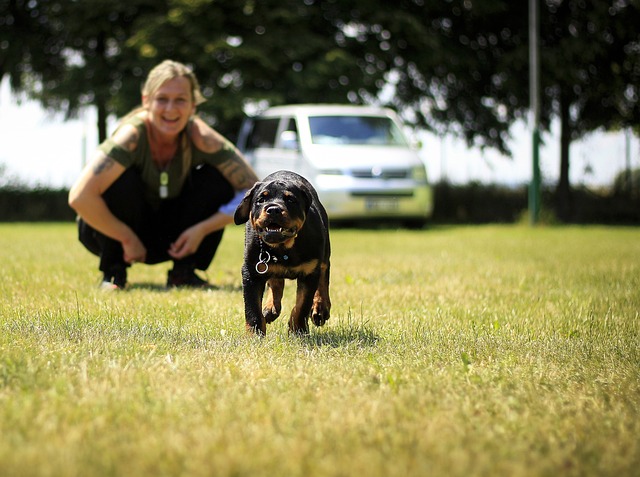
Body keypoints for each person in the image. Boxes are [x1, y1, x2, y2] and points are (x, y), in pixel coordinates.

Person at [68, 60, 258, 290]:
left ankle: (183, 273)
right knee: (118, 180)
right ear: (146, 101)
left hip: (174, 238)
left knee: (215, 179)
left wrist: (203, 229)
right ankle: (113, 272)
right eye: (162, 99)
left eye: (180, 100)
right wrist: (127, 237)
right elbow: (79, 197)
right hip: (117, 235)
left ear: (193, 107)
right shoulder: (131, 136)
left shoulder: (202, 137)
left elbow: (257, 194)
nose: (170, 109)